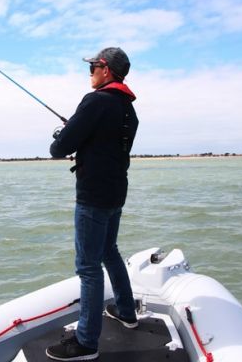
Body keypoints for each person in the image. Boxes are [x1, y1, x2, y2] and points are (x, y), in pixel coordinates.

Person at [46, 47, 139, 361]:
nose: (90, 73)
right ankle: (126, 311)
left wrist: (63, 134)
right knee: (109, 251)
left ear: (106, 69)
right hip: (116, 193)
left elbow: (60, 148)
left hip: (93, 196)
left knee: (88, 267)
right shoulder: (129, 110)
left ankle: (86, 342)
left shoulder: (95, 101)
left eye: (92, 68)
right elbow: (104, 142)